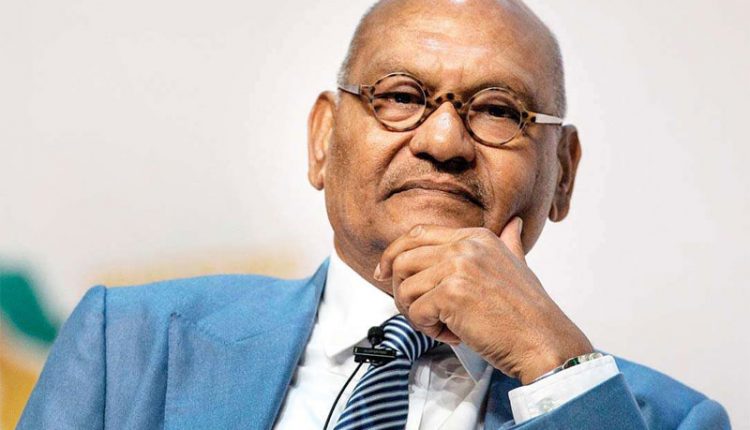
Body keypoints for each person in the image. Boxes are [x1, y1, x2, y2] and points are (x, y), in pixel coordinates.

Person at [18, 0, 730, 428]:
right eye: (400, 96)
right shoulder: (131, 346)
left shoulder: (667, 420)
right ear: (323, 140)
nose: (443, 141)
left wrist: (554, 366)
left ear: (563, 174)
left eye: (497, 110)